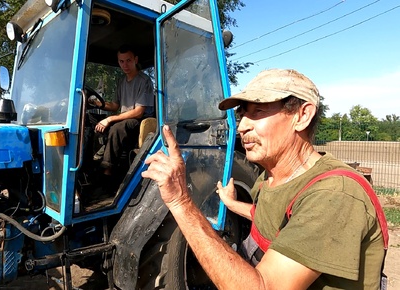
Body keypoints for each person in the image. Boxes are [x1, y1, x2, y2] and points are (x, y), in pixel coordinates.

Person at [141, 69, 388, 289]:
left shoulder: (334, 194)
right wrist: (231, 204)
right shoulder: (269, 177)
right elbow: (271, 218)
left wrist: (181, 201)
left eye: (258, 111)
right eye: (243, 114)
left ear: (301, 116)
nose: (241, 127)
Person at [93, 44, 154, 180]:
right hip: (124, 119)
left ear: (135, 60)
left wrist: (109, 119)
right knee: (91, 120)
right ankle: (91, 162)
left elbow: (138, 112)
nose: (124, 65)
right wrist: (97, 103)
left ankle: (107, 173)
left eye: (128, 60)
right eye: (121, 61)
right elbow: (115, 105)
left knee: (117, 128)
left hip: (139, 121)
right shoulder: (121, 81)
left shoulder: (144, 81)